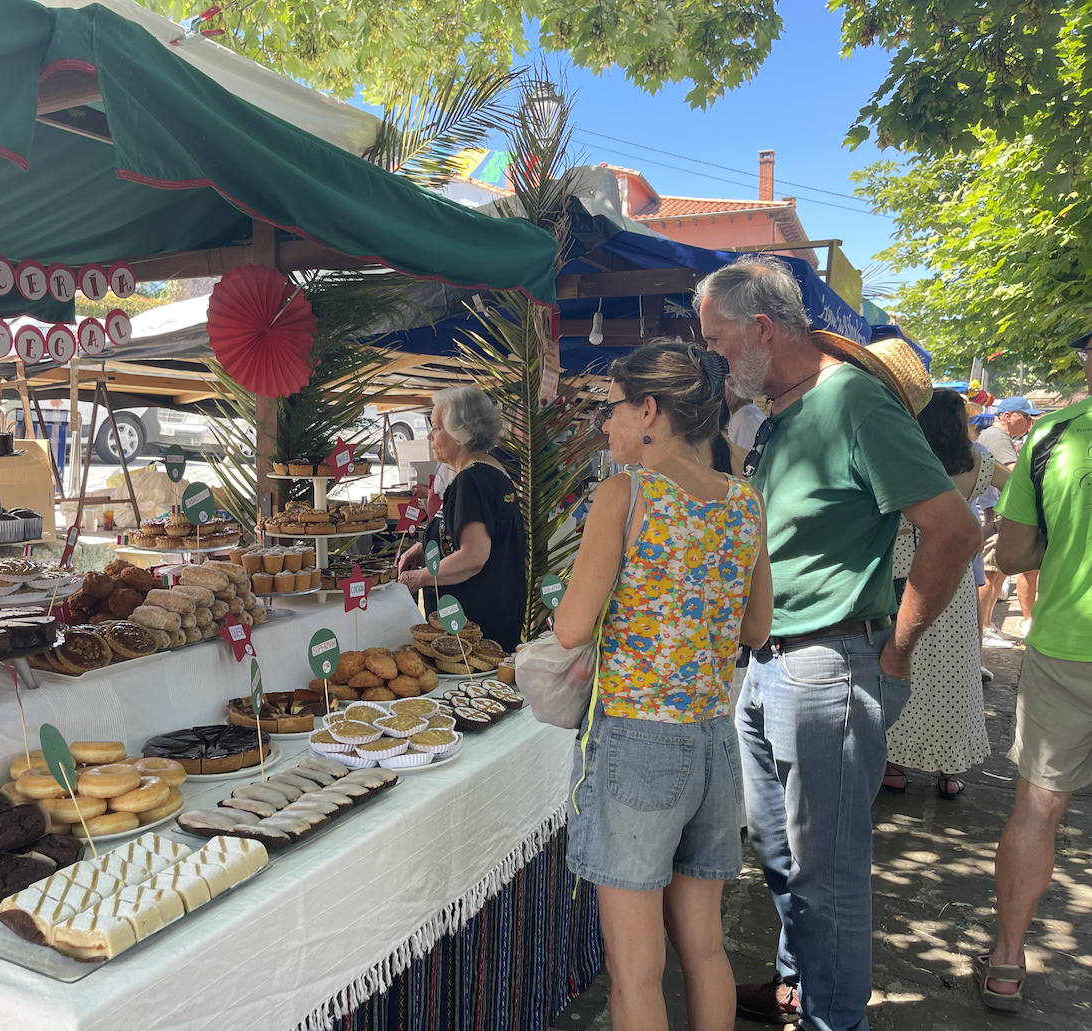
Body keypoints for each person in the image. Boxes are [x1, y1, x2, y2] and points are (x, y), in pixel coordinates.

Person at [695, 255, 979, 1031]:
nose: (713, 356)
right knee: (786, 860)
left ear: (760, 327)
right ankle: (800, 988)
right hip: (770, 663)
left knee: (829, 873)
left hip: (827, 662)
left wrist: (896, 652)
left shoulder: (853, 400)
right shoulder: (786, 409)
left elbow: (953, 529)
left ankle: (833, 1017)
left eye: (718, 340)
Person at [552, 342, 771, 1031]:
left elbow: (569, 628)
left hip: (638, 745)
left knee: (635, 970)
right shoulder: (743, 500)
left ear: (649, 410)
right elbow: (758, 628)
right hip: (711, 740)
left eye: (611, 410)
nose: (604, 425)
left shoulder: (627, 494)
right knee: (705, 947)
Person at [977, 339, 1092, 1013]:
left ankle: (1005, 962)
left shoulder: (1053, 436)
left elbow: (1014, 550)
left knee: (1039, 805)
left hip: (1069, 643)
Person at [882, 389, 1006, 799]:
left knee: (904, 667)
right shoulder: (978, 462)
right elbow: (1021, 484)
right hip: (953, 583)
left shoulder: (906, 458)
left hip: (906, 581)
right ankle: (948, 772)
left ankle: (894, 763)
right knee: (954, 675)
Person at [396, 386, 524, 651]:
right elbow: (467, 530)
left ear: (461, 433)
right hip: (494, 618)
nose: (430, 435)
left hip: (473, 630)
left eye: (437, 427)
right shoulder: (491, 471)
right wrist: (423, 546)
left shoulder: (472, 480)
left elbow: (473, 556)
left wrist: (419, 577)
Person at [977, 397, 1041, 645]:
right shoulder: (998, 437)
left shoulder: (997, 437)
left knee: (996, 574)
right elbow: (1015, 476)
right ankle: (983, 628)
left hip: (996, 511)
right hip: (995, 513)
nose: (1028, 423)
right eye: (1025, 417)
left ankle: (987, 625)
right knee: (990, 575)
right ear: (1006, 416)